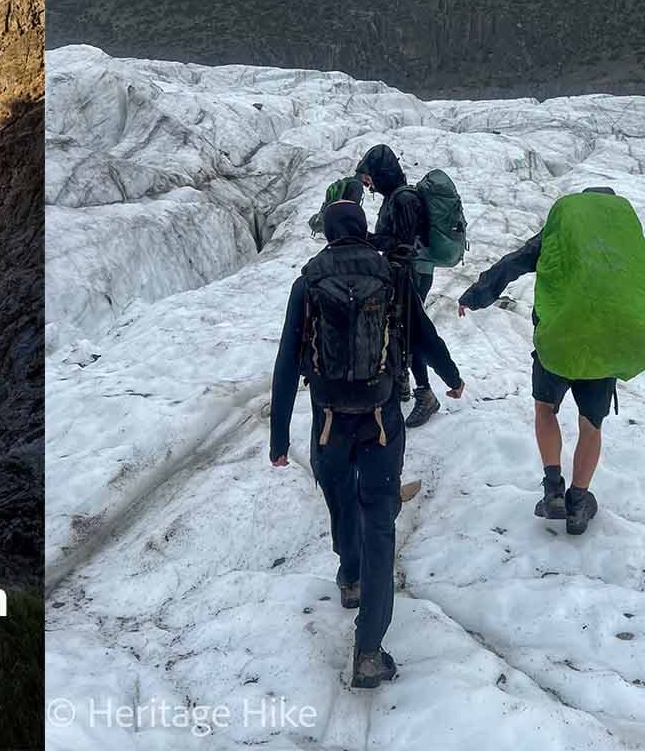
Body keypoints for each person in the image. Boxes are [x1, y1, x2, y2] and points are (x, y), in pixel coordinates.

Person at [270, 199, 464, 690]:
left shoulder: (308, 281)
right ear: (363, 230)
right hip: (381, 421)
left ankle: (349, 576)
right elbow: (422, 335)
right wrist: (451, 377)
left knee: (339, 501)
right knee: (380, 524)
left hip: (328, 420)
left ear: (330, 234)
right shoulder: (392, 276)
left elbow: (287, 361)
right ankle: (369, 651)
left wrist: (278, 437)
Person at [458, 187, 632, 535]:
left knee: (545, 409)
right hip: (604, 346)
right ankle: (579, 503)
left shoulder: (561, 233)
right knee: (591, 425)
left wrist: (476, 295)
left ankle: (553, 491)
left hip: (558, 340)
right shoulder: (626, 244)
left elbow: (514, 263)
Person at [358, 145, 443, 428]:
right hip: (406, 272)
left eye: (369, 178)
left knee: (412, 330)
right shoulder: (395, 196)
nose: (368, 185)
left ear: (381, 174)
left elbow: (402, 244)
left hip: (412, 273)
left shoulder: (403, 199)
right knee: (401, 328)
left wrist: (366, 239)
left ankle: (426, 394)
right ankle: (403, 380)